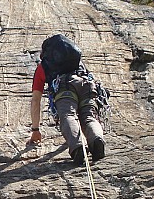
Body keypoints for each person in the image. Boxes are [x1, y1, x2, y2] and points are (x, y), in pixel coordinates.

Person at [28, 34, 105, 165]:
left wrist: (35, 130)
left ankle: (78, 147)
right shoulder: (76, 61)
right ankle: (96, 140)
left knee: (68, 116)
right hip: (87, 85)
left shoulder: (43, 67)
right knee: (89, 117)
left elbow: (36, 100)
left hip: (65, 89)